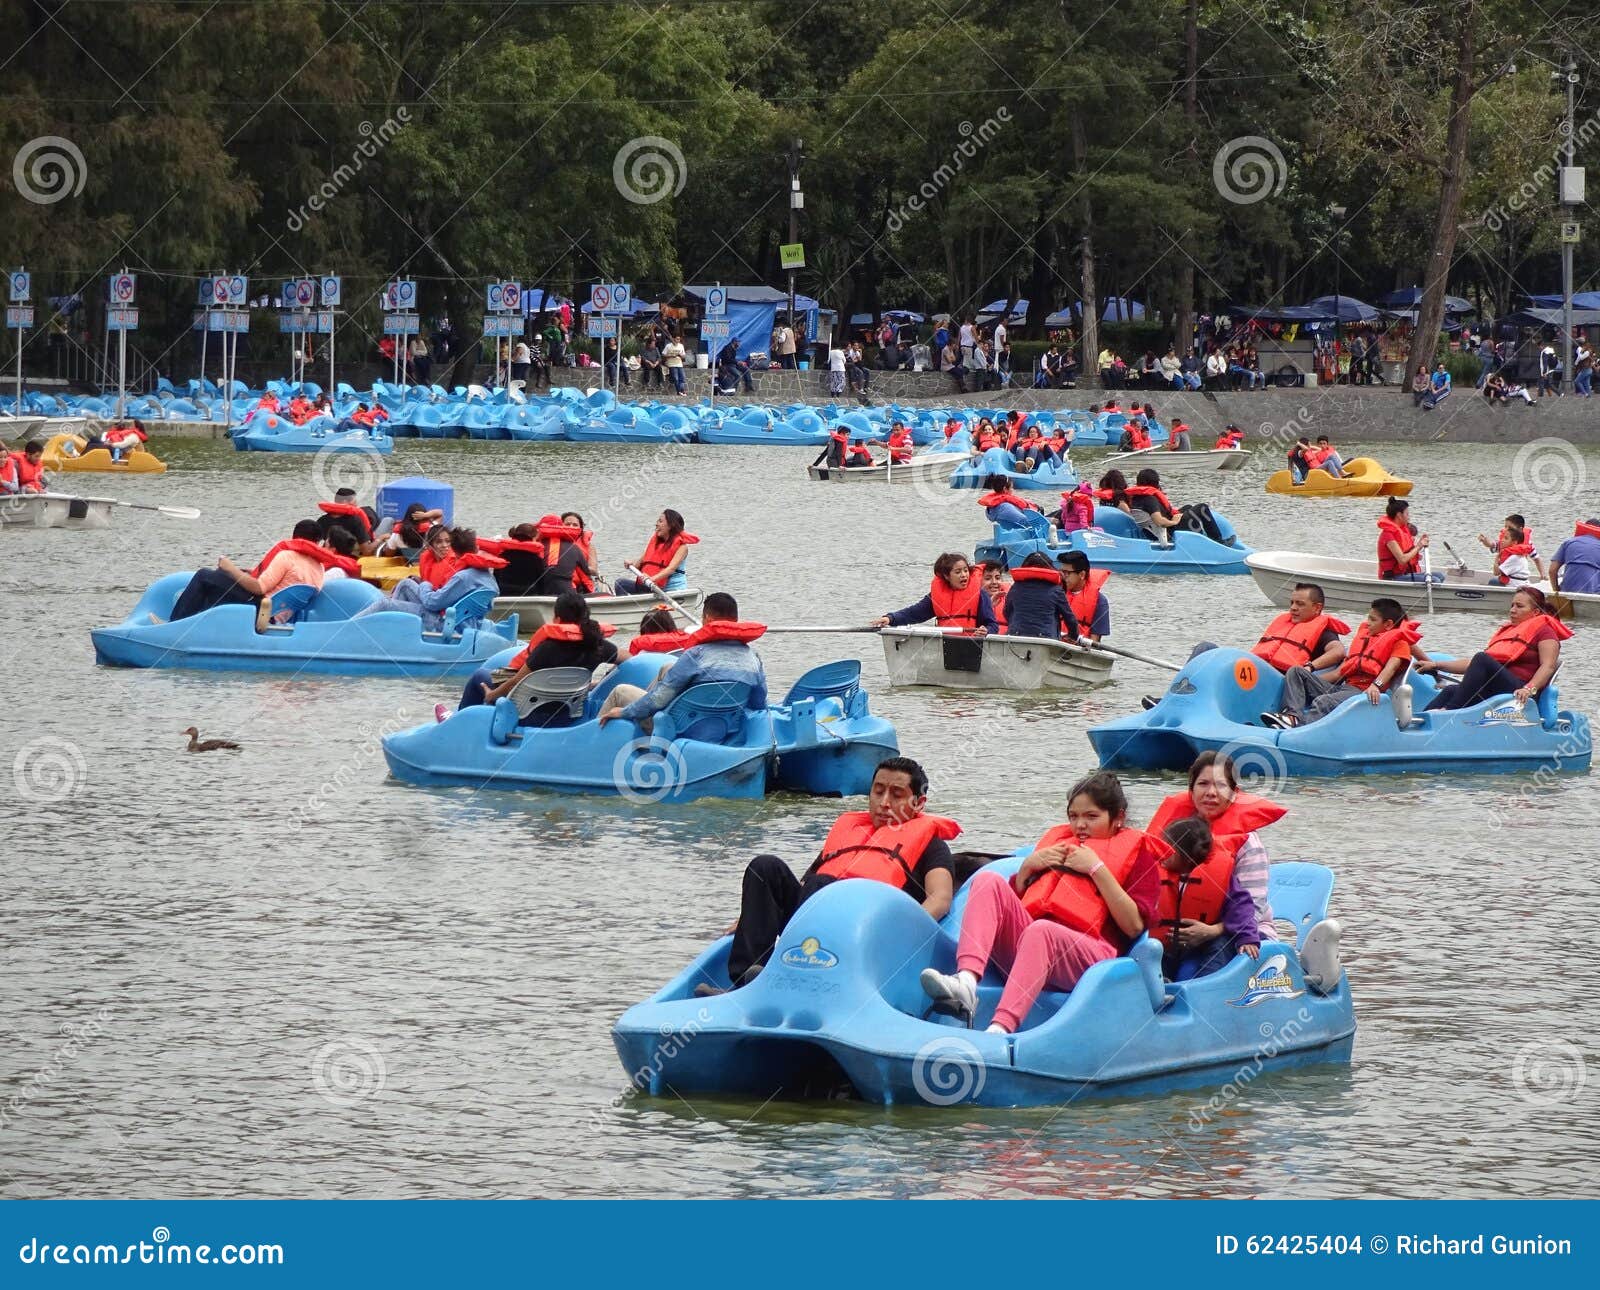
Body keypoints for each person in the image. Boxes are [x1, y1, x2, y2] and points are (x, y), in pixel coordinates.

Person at [919, 772, 1166, 1032]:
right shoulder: (1058, 846)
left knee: (1042, 930)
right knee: (988, 881)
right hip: (1031, 950)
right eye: (1074, 816)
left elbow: (1133, 926)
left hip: (1091, 959)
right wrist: (1028, 867)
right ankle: (966, 982)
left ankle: (1000, 1028)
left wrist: (1096, 869)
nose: (1080, 825)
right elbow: (1010, 909)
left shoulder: (1138, 856)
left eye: (1091, 817)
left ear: (1118, 818)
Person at [713, 757, 959, 990]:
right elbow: (804, 883)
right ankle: (745, 984)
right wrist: (754, 914)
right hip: (814, 913)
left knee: (822, 884)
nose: (884, 803)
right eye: (878, 791)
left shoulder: (931, 845)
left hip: (868, 931)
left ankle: (800, 974)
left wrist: (905, 931)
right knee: (764, 867)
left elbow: (940, 898)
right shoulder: (848, 833)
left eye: (896, 795)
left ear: (919, 803)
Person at [597, 592, 768, 730]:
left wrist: (625, 712)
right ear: (735, 621)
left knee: (620, 692)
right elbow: (758, 703)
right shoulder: (753, 658)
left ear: (707, 619)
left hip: (677, 727)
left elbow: (657, 701)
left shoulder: (695, 655)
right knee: (668, 667)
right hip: (725, 726)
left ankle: (590, 744)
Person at [449, 591, 619, 724]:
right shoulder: (598, 645)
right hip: (568, 713)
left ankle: (457, 723)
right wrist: (598, 683)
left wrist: (491, 695)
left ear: (557, 619)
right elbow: (627, 658)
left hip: (529, 713)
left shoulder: (548, 647)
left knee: (480, 676)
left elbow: (516, 681)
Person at [1262, 597, 1420, 728]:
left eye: (1373, 619)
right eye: (1368, 618)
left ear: (1388, 624)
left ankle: (1299, 729)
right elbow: (1339, 673)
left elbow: (1391, 668)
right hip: (1343, 688)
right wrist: (1306, 681)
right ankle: (1292, 717)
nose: (1368, 623)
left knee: (1323, 701)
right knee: (1296, 672)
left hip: (1362, 692)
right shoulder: (1368, 638)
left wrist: (1376, 685)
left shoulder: (1400, 643)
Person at [161, 519, 333, 632]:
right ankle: (196, 626)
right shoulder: (319, 568)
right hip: (278, 614)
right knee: (218, 579)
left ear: (294, 537)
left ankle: (174, 626)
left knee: (204, 575)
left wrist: (231, 568)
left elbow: (259, 588)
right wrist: (249, 573)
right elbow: (286, 584)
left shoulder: (287, 556)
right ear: (317, 543)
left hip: (261, 609)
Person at [1417, 586, 1571, 711]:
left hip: (1521, 691)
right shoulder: (1511, 631)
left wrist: (1529, 689)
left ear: (1535, 612)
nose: (1512, 610)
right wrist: (1436, 665)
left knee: (1482, 658)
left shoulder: (1545, 631)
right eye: (1512, 605)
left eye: (1519, 606)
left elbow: (1548, 666)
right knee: (1451, 690)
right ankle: (1417, 727)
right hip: (1499, 687)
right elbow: (1474, 665)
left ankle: (1449, 712)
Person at [1153, 818, 1262, 981]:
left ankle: (1208, 985)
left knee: (1220, 946)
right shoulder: (1157, 876)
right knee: (1151, 950)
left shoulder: (1219, 879)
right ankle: (1159, 986)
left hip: (1206, 942)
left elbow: (1242, 907)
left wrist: (1247, 937)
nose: (1160, 852)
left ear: (1186, 856)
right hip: (1171, 944)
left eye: (1167, 848)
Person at [356, 527, 504, 631]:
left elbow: (433, 603)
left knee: (384, 604)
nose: (444, 546)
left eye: (447, 542)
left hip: (445, 622)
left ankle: (350, 627)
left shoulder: (462, 576)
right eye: (439, 542)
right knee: (406, 584)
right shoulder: (487, 576)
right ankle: (394, 629)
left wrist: (425, 585)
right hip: (467, 620)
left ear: (454, 548)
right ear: (476, 548)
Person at [871, 552, 999, 635]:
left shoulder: (980, 595)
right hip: (944, 644)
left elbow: (992, 625)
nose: (964, 575)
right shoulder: (937, 596)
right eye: (958, 572)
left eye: (966, 571)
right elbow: (914, 613)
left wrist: (986, 631)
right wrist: (890, 618)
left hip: (974, 645)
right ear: (947, 576)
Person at [1000, 554, 1081, 641]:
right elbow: (1070, 620)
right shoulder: (1056, 590)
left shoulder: (1015, 587)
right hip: (1046, 641)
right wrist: (1073, 636)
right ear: (1050, 568)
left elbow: (1006, 612)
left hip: (1016, 639)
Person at [615, 509, 697, 594]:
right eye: (658, 521)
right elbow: (640, 563)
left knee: (644, 589)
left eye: (660, 521)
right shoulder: (655, 545)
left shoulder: (682, 547)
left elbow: (671, 569)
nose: (656, 524)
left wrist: (651, 579)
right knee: (620, 583)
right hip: (652, 587)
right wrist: (631, 564)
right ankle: (631, 606)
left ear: (671, 525)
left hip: (671, 590)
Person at [1377, 497, 1439, 582]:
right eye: (1407, 514)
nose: (1409, 517)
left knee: (1440, 575)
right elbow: (1402, 560)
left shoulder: (1401, 531)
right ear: (1399, 515)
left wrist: (1420, 543)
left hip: (1403, 573)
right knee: (1435, 580)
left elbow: (1408, 552)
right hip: (1393, 577)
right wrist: (1419, 546)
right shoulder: (1388, 535)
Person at [478, 524, 548, 595]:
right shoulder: (536, 559)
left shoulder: (502, 556)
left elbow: (496, 578)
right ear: (533, 538)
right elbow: (541, 583)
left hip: (504, 594)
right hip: (528, 595)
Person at [1056, 551, 1111, 640]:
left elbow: (1095, 641)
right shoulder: (1054, 594)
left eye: (1067, 573)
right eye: (1061, 572)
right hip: (1053, 645)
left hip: (1078, 650)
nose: (1063, 577)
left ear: (1082, 574)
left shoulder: (1100, 601)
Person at [1549, 520, 1600, 594]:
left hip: (1567, 590)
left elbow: (1552, 570)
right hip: (1593, 592)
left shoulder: (1569, 542)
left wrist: (1556, 590)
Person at [976, 475, 1044, 530]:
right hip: (1027, 529)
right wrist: (1043, 523)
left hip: (1011, 528)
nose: (1013, 490)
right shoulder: (1005, 507)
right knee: (1054, 520)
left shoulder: (992, 506)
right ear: (1005, 489)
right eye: (1011, 487)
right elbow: (1023, 520)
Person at [1489, 521, 1542, 586]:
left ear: (1514, 542)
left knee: (1492, 581)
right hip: (1521, 582)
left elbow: (1496, 572)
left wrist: (1496, 559)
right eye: (1503, 537)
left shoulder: (1514, 557)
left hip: (1515, 584)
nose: (1502, 540)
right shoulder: (1519, 554)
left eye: (1506, 538)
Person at [979, 561, 1010, 629]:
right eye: (988, 578)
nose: (994, 582)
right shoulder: (973, 603)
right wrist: (989, 605)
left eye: (997, 578)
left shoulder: (1010, 598)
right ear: (977, 580)